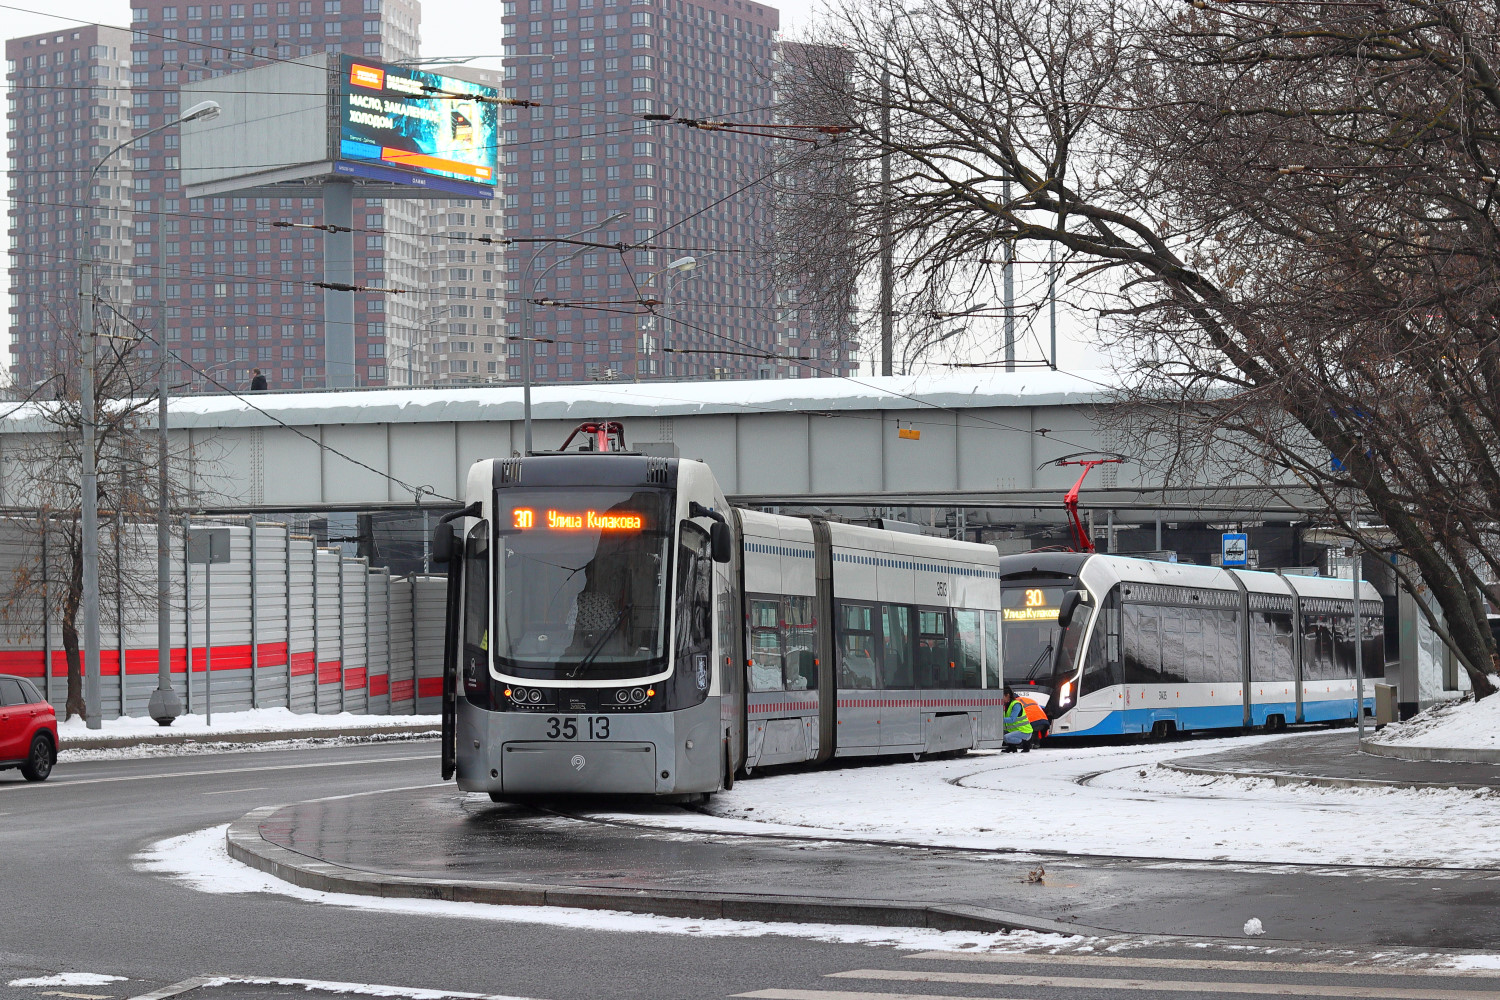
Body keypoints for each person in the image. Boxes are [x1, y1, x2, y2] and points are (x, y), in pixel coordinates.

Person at [1001, 686, 1033, 752]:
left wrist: (998, 720)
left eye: (1002, 696)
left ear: (1007, 695)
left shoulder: (1016, 705)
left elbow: (1012, 719)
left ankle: (1025, 742)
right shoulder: (1005, 705)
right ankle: (1012, 747)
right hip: (1015, 730)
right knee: (1000, 735)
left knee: (1006, 737)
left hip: (1024, 731)